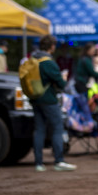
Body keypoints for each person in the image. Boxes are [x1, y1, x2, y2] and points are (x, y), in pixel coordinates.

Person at [30, 35, 77, 172]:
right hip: (49, 99)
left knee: (39, 130)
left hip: (35, 98)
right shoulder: (48, 62)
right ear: (52, 46)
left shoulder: (33, 59)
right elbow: (61, 84)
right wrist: (63, 78)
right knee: (57, 128)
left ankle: (38, 163)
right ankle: (59, 160)